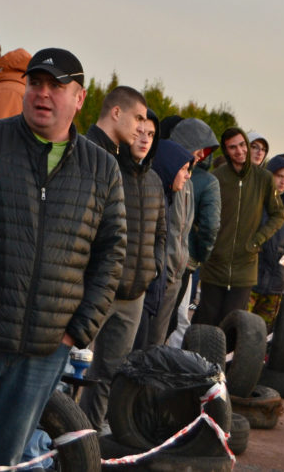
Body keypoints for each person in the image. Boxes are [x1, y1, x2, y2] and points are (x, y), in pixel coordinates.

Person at [0, 48, 126, 466]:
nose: (43, 94)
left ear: (79, 97)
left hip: (45, 349)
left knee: (4, 461)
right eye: (35, 83)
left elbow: (112, 255)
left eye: (56, 86)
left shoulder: (103, 169)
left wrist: (78, 330)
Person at [79, 101, 166, 429]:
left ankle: (87, 438)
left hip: (135, 296)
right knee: (74, 366)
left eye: (151, 134)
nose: (144, 139)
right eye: (140, 131)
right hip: (100, 288)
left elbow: (161, 233)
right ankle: (53, 433)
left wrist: (153, 267)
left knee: (108, 373)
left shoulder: (156, 182)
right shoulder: (110, 168)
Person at [194, 128, 284, 326]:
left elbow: (279, 215)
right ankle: (194, 357)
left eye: (242, 145)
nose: (240, 151)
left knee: (231, 323)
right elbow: (199, 217)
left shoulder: (264, 178)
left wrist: (257, 240)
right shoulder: (216, 177)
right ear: (226, 151)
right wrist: (207, 246)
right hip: (215, 264)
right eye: (233, 147)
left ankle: (223, 359)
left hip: (245, 266)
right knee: (206, 321)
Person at [135, 137, 195, 348]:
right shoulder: (152, 197)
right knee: (141, 346)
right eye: (184, 169)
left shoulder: (171, 196)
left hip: (168, 280)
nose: (188, 176)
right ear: (170, 167)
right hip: (148, 284)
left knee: (155, 344)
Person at [165, 118, 221, 347]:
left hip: (168, 259)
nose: (201, 154)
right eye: (199, 148)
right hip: (181, 262)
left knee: (168, 320)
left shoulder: (168, 170)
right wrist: (200, 255)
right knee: (172, 322)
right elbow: (210, 226)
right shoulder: (206, 181)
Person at [247, 157, 284, 330]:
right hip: (250, 276)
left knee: (261, 332)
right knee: (241, 326)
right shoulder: (254, 200)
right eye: (279, 176)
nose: (282, 181)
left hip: (276, 280)